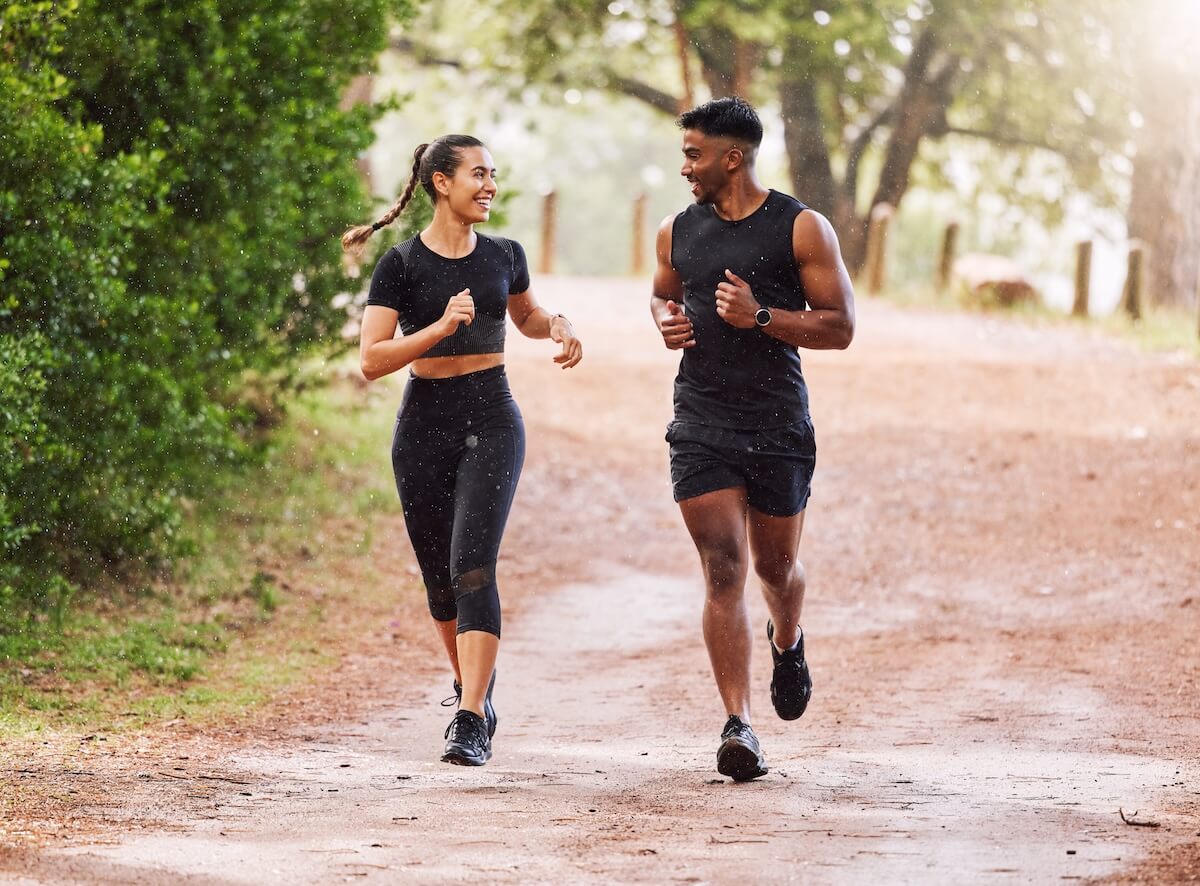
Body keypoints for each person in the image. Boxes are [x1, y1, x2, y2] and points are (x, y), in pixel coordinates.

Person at [342, 134, 582, 767]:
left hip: (492, 415)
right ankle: (471, 689)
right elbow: (371, 360)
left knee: (472, 562)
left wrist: (555, 324)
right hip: (422, 422)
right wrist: (441, 328)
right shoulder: (400, 265)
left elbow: (524, 316)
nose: (489, 186)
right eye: (478, 174)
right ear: (440, 183)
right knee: (440, 583)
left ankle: (471, 716)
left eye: (493, 175)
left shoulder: (504, 254)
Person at [649, 98, 855, 781]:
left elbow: (840, 327)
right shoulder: (676, 232)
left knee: (774, 570)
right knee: (723, 568)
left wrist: (762, 316)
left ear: (731, 158)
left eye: (694, 155)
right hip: (702, 418)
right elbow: (662, 293)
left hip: (777, 422)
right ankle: (738, 725)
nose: (685, 168)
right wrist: (666, 318)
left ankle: (787, 637)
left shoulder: (801, 228)